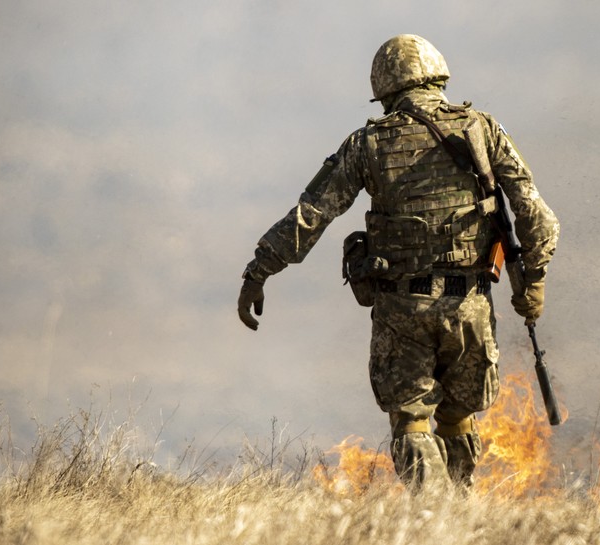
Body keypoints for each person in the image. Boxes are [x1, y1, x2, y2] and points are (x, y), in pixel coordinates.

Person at [237, 34, 559, 489]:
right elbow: (536, 216)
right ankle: (460, 521)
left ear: (385, 88)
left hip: (401, 310)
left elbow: (311, 215)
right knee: (459, 416)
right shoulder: (482, 128)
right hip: (469, 305)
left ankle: (430, 523)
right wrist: (535, 280)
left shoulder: (368, 143)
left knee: (411, 420)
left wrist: (259, 270)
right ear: (439, 77)